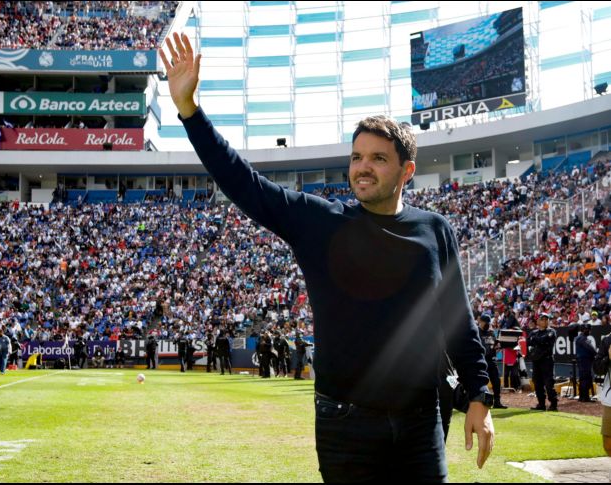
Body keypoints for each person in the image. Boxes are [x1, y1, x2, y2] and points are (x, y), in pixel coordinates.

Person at [161, 32, 493, 481]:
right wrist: (189, 111)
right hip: (344, 421)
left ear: (406, 170)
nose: (363, 167)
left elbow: (459, 322)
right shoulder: (321, 223)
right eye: (357, 157)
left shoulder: (435, 230)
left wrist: (480, 396)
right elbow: (242, 183)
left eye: (378, 158)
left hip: (421, 421)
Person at [527, 313, 558, 411]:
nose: (545, 321)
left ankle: (553, 404)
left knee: (549, 383)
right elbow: (528, 341)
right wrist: (539, 341)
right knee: (537, 383)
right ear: (538, 321)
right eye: (542, 319)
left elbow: (544, 340)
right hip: (536, 361)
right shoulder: (534, 332)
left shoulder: (551, 331)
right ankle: (541, 404)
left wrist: (537, 340)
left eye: (546, 319)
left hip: (547, 360)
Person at [478, 314, 507, 409]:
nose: (487, 324)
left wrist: (498, 346)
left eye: (488, 322)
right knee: (481, 382)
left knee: (496, 381)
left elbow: (494, 346)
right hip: (481, 361)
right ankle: (481, 402)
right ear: (480, 321)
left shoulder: (491, 332)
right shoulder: (476, 332)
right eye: (485, 322)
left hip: (491, 360)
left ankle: (497, 402)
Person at [592, 332, 611, 457]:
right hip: (610, 397)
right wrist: (608, 358)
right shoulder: (608, 340)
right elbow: (597, 368)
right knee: (608, 444)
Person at [575, 323, 597, 402]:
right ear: (584, 330)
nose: (589, 331)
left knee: (583, 378)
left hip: (583, 360)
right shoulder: (582, 338)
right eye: (588, 330)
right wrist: (596, 354)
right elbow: (590, 348)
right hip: (584, 360)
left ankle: (582, 397)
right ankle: (585, 397)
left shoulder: (580, 338)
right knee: (586, 378)